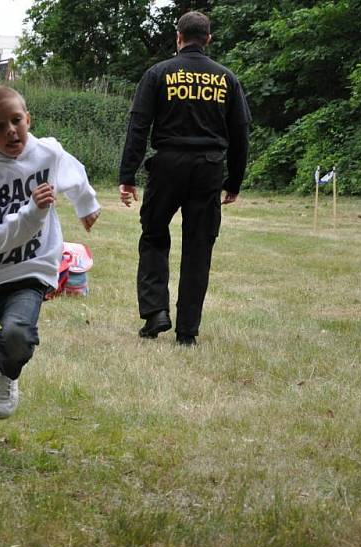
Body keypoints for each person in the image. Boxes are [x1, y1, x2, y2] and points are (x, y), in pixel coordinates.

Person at [0, 86, 101, 442]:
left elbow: (72, 170)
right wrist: (32, 212)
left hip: (31, 269)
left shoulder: (47, 152)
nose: (11, 131)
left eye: (16, 121)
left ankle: (6, 372)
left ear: (28, 119)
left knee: (18, 335)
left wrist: (86, 204)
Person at [118, 10, 251, 346]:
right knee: (198, 247)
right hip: (209, 168)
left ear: (178, 37)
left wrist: (127, 175)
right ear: (208, 39)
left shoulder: (157, 74)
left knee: (153, 236)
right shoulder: (227, 78)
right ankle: (187, 332)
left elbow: (138, 126)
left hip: (167, 166)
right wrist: (234, 181)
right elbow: (240, 134)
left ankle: (155, 313)